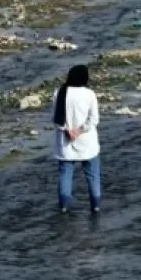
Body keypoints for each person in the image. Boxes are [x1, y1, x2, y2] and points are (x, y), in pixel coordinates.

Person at [52, 64, 101, 214]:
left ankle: (64, 207)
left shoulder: (59, 93)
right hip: (87, 142)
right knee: (92, 175)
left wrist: (67, 130)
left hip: (66, 142)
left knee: (65, 175)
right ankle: (96, 206)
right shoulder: (89, 94)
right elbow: (94, 119)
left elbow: (55, 119)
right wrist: (79, 131)